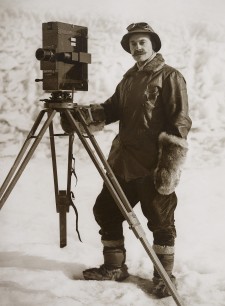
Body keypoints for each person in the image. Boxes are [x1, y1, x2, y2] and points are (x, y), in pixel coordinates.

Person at [61, 22, 192, 298]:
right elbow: (111, 110)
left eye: (142, 41)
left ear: (153, 44)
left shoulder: (170, 77)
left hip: (152, 165)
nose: (137, 47)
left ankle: (163, 276)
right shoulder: (129, 79)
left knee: (161, 221)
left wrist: (168, 167)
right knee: (106, 210)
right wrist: (80, 116)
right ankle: (114, 267)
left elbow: (180, 122)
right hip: (123, 163)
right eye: (132, 43)